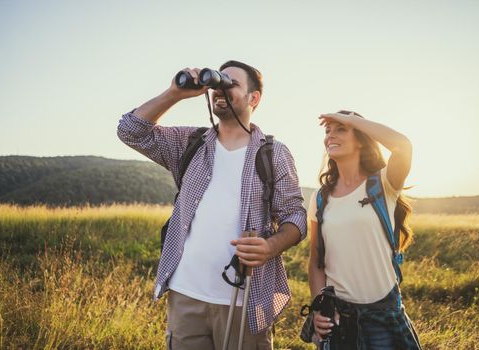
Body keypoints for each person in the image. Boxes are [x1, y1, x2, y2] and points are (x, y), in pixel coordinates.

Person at [117, 60, 307, 349]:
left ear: (254, 98)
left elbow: (295, 216)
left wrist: (271, 246)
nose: (220, 89)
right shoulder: (189, 142)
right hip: (185, 294)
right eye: (218, 82)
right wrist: (175, 94)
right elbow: (131, 131)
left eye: (231, 84)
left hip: (244, 299)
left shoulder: (274, 154)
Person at [307, 110, 421, 349]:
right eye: (327, 131)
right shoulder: (319, 198)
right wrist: (319, 309)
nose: (330, 136)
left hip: (384, 313)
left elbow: (403, 146)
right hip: (340, 318)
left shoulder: (383, 183)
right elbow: (316, 261)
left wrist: (354, 120)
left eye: (341, 129)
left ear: (360, 139)